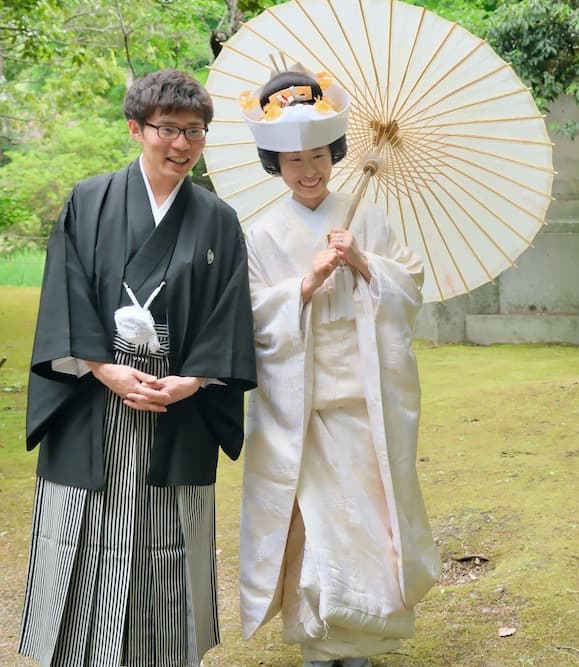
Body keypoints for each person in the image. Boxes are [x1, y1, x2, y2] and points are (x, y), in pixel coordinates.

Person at [19, 69, 257, 667]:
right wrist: (103, 367)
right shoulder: (89, 200)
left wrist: (195, 379)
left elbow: (229, 310)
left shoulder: (218, 220)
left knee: (168, 543)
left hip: (180, 402)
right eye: (168, 131)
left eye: (195, 132)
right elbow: (63, 295)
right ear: (136, 128)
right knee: (84, 536)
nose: (182, 145)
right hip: (94, 400)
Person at [238, 67, 440, 667]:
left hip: (361, 399)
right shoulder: (262, 234)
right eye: (292, 159)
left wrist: (367, 263)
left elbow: (411, 286)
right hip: (298, 404)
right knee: (316, 524)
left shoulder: (368, 220)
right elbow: (249, 314)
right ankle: (317, 639)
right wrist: (305, 283)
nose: (308, 170)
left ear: (336, 153)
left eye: (319, 155)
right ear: (274, 162)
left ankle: (362, 639)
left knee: (368, 522)